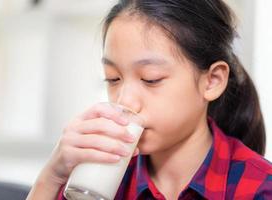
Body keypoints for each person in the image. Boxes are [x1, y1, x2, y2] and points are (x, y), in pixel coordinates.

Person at [26, 0, 272, 199]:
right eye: (113, 79)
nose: (125, 101)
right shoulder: (102, 179)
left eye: (150, 79)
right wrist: (51, 177)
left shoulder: (258, 188)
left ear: (212, 81)